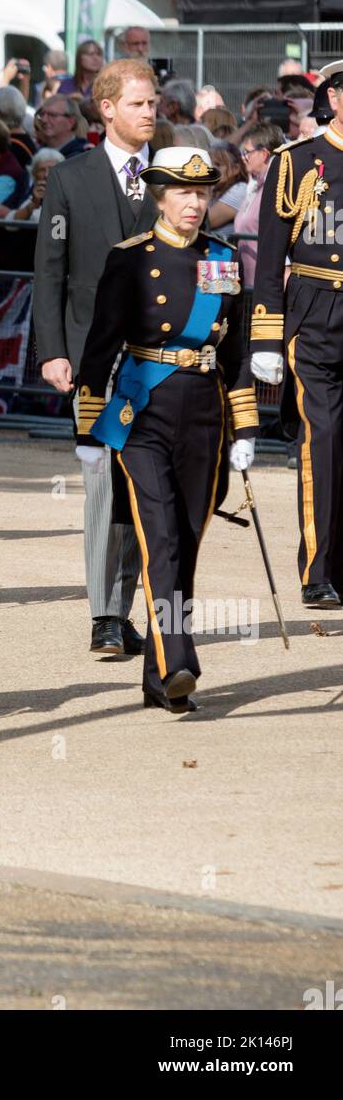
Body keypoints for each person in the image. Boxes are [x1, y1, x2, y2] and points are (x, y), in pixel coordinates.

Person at [76, 146, 258, 712]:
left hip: (206, 414)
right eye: (182, 192)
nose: (194, 203)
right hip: (143, 412)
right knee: (162, 540)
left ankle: (159, 677)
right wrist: (87, 426)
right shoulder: (130, 259)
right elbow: (101, 342)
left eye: (202, 192)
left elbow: (239, 351)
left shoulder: (224, 258)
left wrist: (246, 427)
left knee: (186, 545)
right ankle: (180, 659)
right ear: (159, 196)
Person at [33, 58, 161, 657]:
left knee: (145, 486)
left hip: (159, 361)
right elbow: (50, 272)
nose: (150, 112)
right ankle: (103, 614)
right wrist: (53, 352)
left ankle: (124, 606)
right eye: (138, 103)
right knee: (100, 483)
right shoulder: (70, 177)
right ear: (107, 108)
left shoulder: (170, 176)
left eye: (154, 103)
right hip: (93, 358)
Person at [250, 59, 343, 607]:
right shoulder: (299, 162)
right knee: (323, 440)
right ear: (333, 95)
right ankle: (319, 569)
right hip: (316, 311)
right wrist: (265, 337)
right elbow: (269, 260)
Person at [232, 121, 284, 288]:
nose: (243, 157)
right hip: (246, 283)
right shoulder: (255, 185)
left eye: (247, 152)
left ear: (264, 154)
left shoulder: (277, 187)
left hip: (263, 287)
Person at [33, 94, 90, 161]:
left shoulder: (82, 156)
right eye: (42, 114)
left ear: (71, 122)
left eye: (52, 115)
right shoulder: (38, 153)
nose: (44, 120)